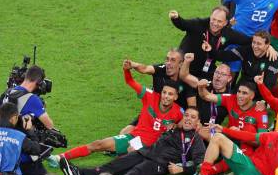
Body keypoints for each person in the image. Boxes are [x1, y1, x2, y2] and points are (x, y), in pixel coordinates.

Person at [50, 61, 182, 168]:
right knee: (99, 144)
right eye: (164, 92)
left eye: (170, 94)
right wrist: (126, 70)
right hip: (133, 137)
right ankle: (60, 158)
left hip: (149, 148)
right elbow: (130, 82)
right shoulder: (150, 96)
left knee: (125, 157)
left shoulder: (178, 112)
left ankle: (98, 172)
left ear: (176, 97)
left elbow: (189, 125)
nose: (166, 96)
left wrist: (176, 125)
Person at [60, 107, 205, 175]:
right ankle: (79, 173)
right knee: (114, 166)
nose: (188, 119)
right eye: (186, 115)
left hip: (160, 163)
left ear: (197, 122)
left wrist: (182, 169)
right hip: (145, 152)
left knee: (135, 173)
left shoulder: (196, 140)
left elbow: (200, 165)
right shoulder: (172, 128)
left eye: (192, 117)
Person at [0, 66, 56, 175]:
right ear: (38, 83)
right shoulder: (33, 99)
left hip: (6, 155)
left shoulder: (7, 93)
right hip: (25, 156)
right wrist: (31, 117)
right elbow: (49, 125)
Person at [117, 49, 189, 135]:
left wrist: (177, 125)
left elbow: (192, 108)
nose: (168, 63)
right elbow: (145, 69)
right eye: (167, 59)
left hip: (171, 119)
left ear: (181, 63)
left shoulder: (187, 79)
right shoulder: (161, 68)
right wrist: (132, 64)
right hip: (151, 113)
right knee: (124, 132)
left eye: (173, 60)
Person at [169, 7, 250, 81]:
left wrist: (229, 55)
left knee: (218, 84)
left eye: (219, 21)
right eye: (213, 19)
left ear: (225, 23)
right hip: (185, 68)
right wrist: (176, 18)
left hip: (206, 71)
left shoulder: (228, 33)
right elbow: (183, 24)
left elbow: (247, 41)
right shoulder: (198, 24)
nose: (215, 23)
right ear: (210, 17)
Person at [212, 31, 278, 92]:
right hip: (241, 88)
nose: (255, 46)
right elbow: (227, 55)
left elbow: (269, 85)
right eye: (254, 42)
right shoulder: (248, 50)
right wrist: (210, 50)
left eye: (259, 44)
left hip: (258, 93)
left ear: (267, 45)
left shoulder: (273, 58)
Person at [179, 54, 232, 125]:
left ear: (229, 78)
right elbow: (184, 76)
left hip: (212, 130)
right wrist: (187, 61)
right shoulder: (205, 83)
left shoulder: (230, 96)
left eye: (223, 74)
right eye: (217, 72)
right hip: (194, 124)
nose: (218, 76)